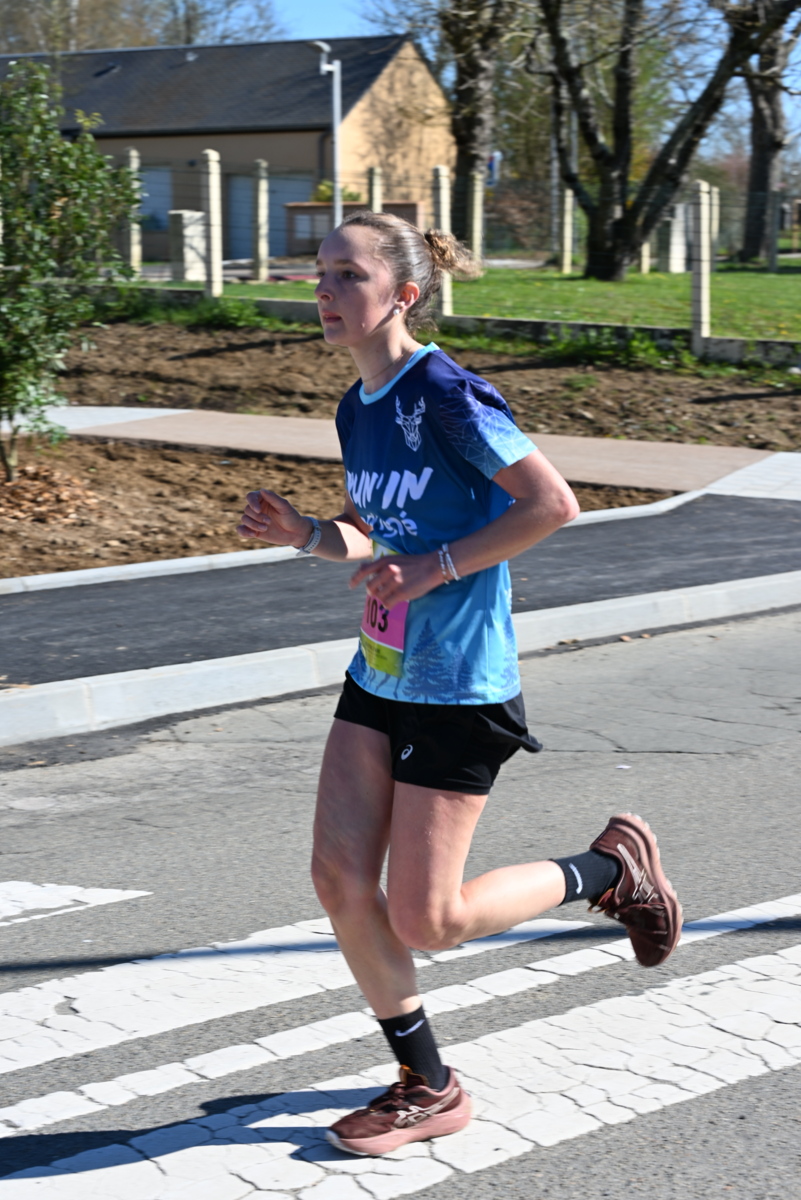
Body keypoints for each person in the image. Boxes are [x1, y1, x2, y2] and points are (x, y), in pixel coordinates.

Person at [237, 212, 682, 1157]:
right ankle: (427, 1083)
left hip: (459, 687)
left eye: (347, 275)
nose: (324, 291)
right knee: (336, 877)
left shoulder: (445, 394)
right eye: (319, 273)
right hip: (381, 670)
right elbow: (370, 529)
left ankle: (608, 871)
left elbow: (550, 504)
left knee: (427, 919)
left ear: (402, 295)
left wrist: (434, 568)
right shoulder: (357, 407)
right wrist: (307, 533)